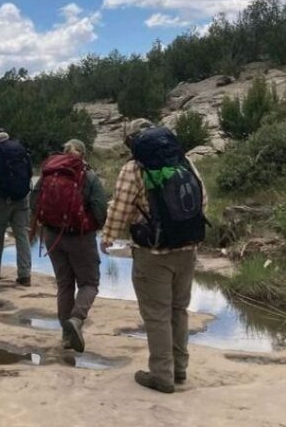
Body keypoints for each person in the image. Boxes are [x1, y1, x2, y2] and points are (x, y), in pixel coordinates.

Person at [100, 118, 209, 394]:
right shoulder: (184, 161)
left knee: (157, 314)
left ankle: (162, 375)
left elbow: (120, 206)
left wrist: (108, 236)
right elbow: (202, 199)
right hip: (188, 248)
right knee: (178, 310)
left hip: (153, 252)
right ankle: (180, 369)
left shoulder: (135, 167)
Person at [30, 139, 107, 353]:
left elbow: (33, 201)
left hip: (52, 236)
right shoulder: (88, 176)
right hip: (81, 238)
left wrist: (48, 222)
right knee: (89, 283)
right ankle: (76, 319)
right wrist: (91, 226)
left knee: (64, 285)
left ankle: (66, 336)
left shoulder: (49, 172)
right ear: (83, 154)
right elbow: (100, 210)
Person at [0, 127, 33, 286]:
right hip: (22, 198)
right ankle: (25, 274)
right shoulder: (20, 149)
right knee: (22, 235)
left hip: (2, 200)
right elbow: (29, 174)